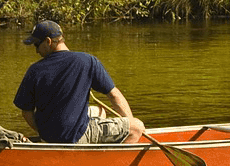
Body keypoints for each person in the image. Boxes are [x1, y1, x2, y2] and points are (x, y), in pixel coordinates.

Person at [13, 21, 145, 144]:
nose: (36, 50)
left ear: (48, 42)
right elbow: (114, 95)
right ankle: (108, 162)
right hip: (76, 136)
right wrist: (129, 123)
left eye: (37, 45)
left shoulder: (34, 70)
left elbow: (27, 113)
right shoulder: (87, 61)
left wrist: (44, 134)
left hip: (48, 136)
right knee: (136, 127)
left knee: (99, 112)